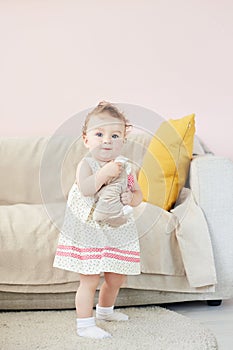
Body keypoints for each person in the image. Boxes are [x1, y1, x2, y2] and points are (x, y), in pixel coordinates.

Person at [53, 101, 142, 339]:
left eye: (115, 135)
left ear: (123, 140)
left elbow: (138, 195)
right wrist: (103, 174)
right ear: (86, 140)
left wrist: (130, 197)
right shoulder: (87, 164)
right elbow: (85, 189)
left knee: (116, 277)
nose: (107, 140)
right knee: (90, 278)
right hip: (90, 228)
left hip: (115, 226)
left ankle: (105, 311)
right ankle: (84, 324)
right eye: (99, 134)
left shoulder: (127, 168)